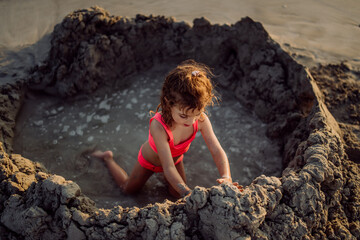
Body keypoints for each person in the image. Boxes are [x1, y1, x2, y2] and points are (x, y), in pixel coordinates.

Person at [91, 59, 240, 198]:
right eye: (184, 116)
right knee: (128, 190)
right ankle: (108, 158)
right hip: (149, 162)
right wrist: (189, 194)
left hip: (176, 161)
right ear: (169, 103)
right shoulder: (159, 125)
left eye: (197, 114)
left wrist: (226, 177)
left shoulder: (201, 120)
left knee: (175, 196)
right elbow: (167, 168)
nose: (191, 121)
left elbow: (216, 150)